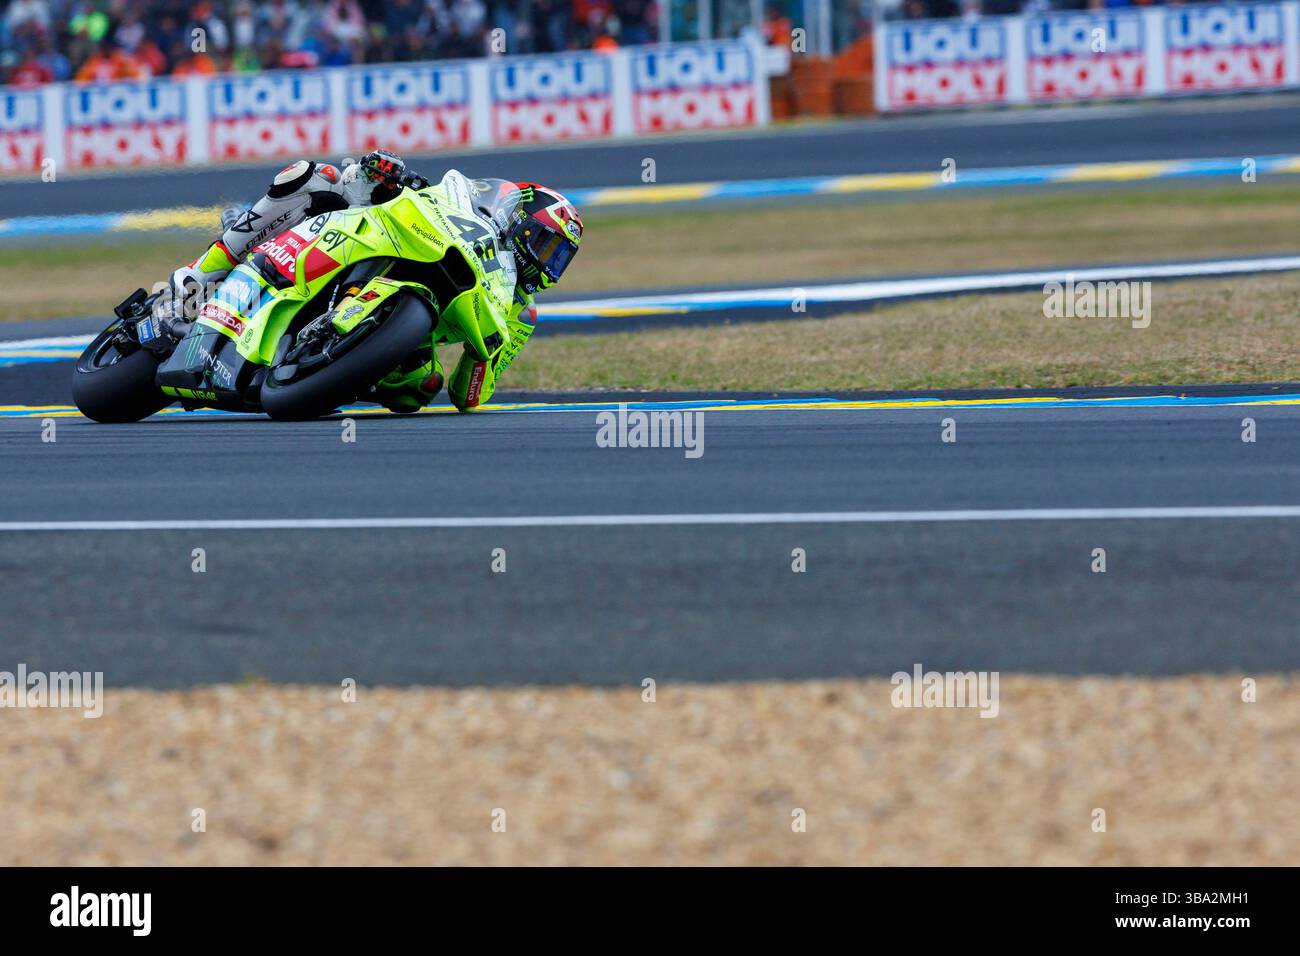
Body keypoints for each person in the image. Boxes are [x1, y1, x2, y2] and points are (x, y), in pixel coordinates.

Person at [155, 150, 583, 413]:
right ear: (521, 224)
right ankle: (204, 272)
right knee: (313, 177)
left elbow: (468, 395)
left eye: (559, 257)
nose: (549, 264)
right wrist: (383, 174)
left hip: (408, 335)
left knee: (419, 389)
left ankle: (327, 368)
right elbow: (411, 191)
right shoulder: (468, 208)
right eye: (547, 246)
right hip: (369, 241)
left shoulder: (519, 313)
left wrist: (486, 357)